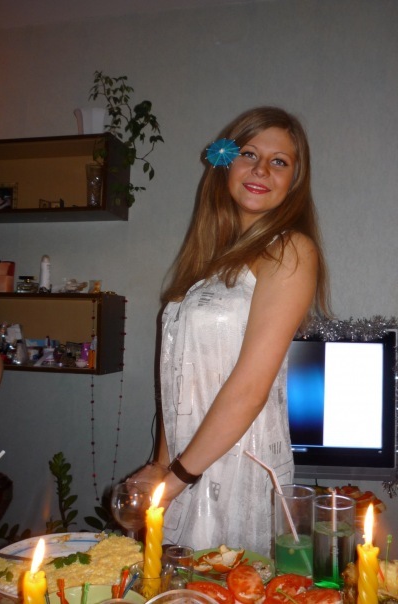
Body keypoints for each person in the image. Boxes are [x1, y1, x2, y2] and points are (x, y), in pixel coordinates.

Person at [132, 106, 330, 556]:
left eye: (279, 161)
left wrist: (176, 478)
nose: (261, 169)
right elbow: (178, 383)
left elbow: (250, 388)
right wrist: (160, 464)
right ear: (226, 164)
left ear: (294, 180)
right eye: (249, 154)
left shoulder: (291, 250)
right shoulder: (208, 261)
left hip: (236, 465)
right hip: (186, 465)